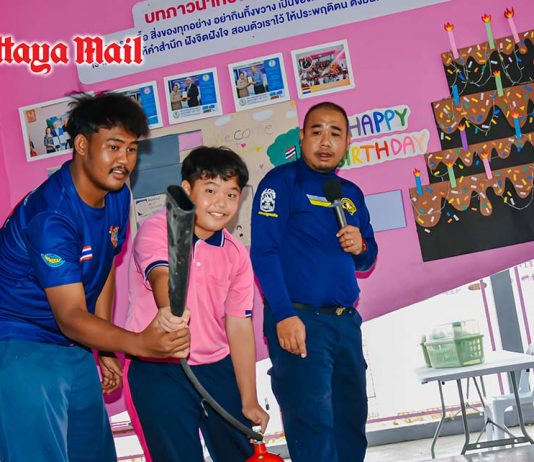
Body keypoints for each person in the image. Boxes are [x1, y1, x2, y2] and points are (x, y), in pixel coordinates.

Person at [0, 93, 190, 462]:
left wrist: (104, 346)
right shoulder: (52, 218)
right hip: (20, 341)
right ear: (82, 145)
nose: (124, 160)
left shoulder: (115, 193)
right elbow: (71, 316)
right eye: (114, 147)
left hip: (72, 341)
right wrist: (137, 344)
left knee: (94, 451)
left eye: (132, 149)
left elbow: (103, 268)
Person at [251, 101, 378, 462]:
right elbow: (264, 253)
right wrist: (284, 314)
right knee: (313, 428)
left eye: (335, 133)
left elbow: (368, 258)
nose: (325, 141)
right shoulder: (280, 183)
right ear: (302, 137)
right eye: (317, 131)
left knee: (351, 423)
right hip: (300, 321)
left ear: (347, 142)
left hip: (345, 324)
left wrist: (360, 246)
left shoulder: (349, 193)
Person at [126, 146, 269, 462]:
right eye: (211, 190)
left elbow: (239, 325)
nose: (221, 202)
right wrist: (170, 312)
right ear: (187, 190)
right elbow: (161, 276)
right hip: (159, 368)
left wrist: (249, 399)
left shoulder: (236, 254)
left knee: (239, 454)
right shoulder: (157, 228)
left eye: (232, 194)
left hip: (217, 368)